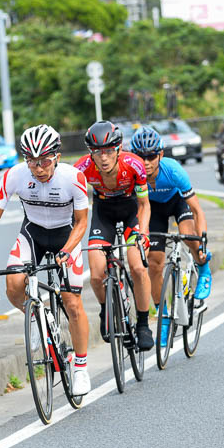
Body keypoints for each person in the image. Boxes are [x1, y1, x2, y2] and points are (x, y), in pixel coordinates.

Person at [0, 124, 92, 395]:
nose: (38, 168)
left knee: (72, 303)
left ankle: (80, 367)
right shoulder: (14, 176)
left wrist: (67, 250)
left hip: (66, 235)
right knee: (14, 285)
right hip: (33, 233)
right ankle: (35, 316)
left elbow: (81, 222)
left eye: (43, 160)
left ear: (56, 156)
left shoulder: (73, 178)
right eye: (31, 161)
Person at [74, 120, 154, 351]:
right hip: (103, 212)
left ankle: (142, 324)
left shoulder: (135, 165)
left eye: (109, 151)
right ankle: (104, 308)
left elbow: (144, 204)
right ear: (91, 153)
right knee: (97, 275)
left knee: (137, 266)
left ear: (118, 149)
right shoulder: (81, 169)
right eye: (98, 153)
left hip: (131, 212)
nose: (104, 158)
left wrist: (144, 233)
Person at [129, 126, 211, 347]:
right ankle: (163, 317)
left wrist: (201, 239)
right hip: (152, 210)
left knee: (188, 236)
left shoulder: (173, 170)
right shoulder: (134, 175)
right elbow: (136, 211)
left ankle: (203, 268)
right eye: (140, 156)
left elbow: (197, 210)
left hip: (177, 203)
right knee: (155, 264)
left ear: (161, 155)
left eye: (151, 156)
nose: (146, 162)